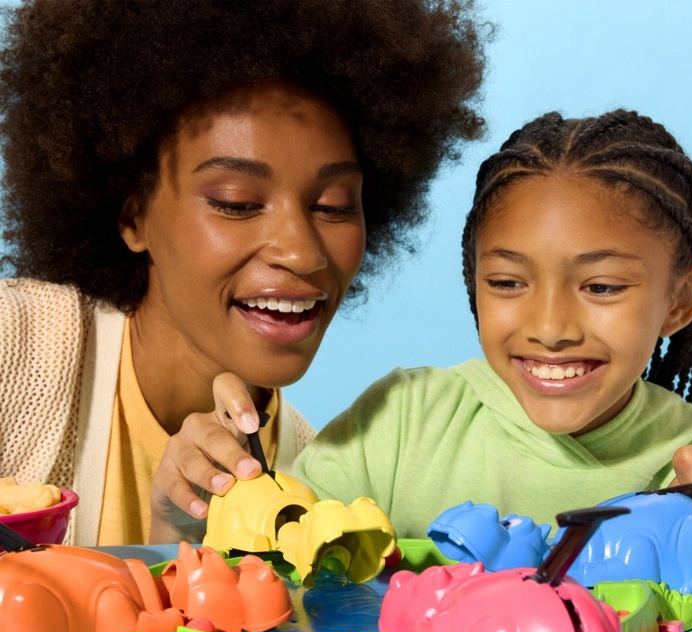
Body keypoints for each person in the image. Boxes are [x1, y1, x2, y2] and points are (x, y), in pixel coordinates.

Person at [0, 0, 488, 545]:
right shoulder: (15, 354)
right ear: (134, 217)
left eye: (332, 206)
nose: (302, 253)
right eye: (237, 203)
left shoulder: (312, 474)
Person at [291, 109, 692, 537]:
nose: (549, 329)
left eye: (601, 287)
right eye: (507, 282)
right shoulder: (398, 424)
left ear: (680, 300)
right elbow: (279, 550)